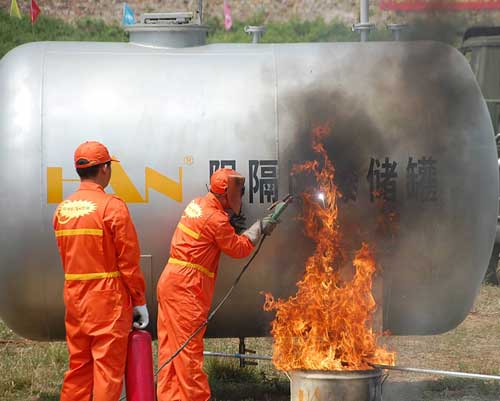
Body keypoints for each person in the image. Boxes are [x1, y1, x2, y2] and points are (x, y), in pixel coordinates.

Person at [157, 167, 279, 401]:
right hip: (186, 288)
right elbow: (239, 248)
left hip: (171, 281)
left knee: (171, 353)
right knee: (189, 355)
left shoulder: (198, 204)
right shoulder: (215, 218)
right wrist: (260, 227)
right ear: (225, 193)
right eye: (238, 191)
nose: (241, 196)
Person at [53, 141, 149, 401]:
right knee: (108, 371)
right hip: (107, 302)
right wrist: (139, 300)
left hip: (75, 300)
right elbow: (128, 261)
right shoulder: (112, 207)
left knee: (79, 368)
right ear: (105, 169)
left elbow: (67, 256)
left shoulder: (62, 210)